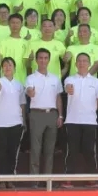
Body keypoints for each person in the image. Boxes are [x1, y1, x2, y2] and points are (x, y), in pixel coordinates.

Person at [63, 53, 98, 186]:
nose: (82, 63)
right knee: (72, 151)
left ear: (89, 64)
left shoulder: (95, 81)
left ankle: (91, 178)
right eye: (79, 61)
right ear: (75, 64)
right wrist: (68, 89)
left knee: (89, 150)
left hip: (90, 121)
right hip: (72, 120)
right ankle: (68, 178)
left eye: (85, 61)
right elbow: (67, 88)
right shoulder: (69, 79)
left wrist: (89, 110)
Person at [25, 48, 63, 182]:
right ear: (36, 60)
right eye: (40, 58)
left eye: (46, 58)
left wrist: (60, 115)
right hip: (37, 114)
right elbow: (29, 90)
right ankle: (34, 181)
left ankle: (47, 180)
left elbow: (58, 97)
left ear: (49, 60)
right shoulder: (30, 78)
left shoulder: (55, 78)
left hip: (52, 114)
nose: (43, 60)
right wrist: (30, 92)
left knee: (50, 150)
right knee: (35, 149)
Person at [0, 57, 26, 188]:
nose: (7, 67)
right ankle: (1, 180)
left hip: (16, 122)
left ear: (14, 68)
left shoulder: (19, 85)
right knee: (1, 153)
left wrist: (23, 120)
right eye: (5, 65)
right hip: (0, 123)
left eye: (10, 65)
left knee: (13, 152)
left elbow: (22, 103)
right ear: (2, 68)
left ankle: (10, 179)